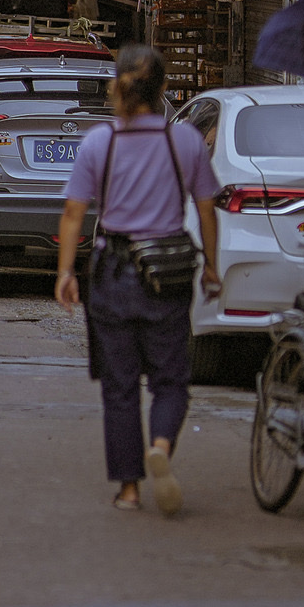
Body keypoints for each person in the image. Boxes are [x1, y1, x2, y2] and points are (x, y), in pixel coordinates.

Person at [55, 44, 222, 516]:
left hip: (112, 273)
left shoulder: (100, 142)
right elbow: (207, 210)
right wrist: (211, 265)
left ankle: (129, 490)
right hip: (167, 276)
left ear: (117, 87)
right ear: (165, 88)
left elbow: (73, 212)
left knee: (120, 385)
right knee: (171, 380)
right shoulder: (185, 141)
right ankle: (162, 448)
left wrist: (66, 271)